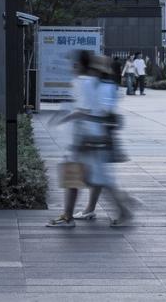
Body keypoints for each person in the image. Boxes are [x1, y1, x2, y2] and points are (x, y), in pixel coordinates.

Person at [47, 51, 134, 228]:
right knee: (94, 177)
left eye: (74, 64)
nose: (72, 68)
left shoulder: (83, 82)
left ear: (79, 65)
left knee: (84, 175)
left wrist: (62, 119)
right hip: (92, 137)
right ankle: (120, 206)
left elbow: (84, 110)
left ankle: (70, 216)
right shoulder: (96, 83)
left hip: (86, 137)